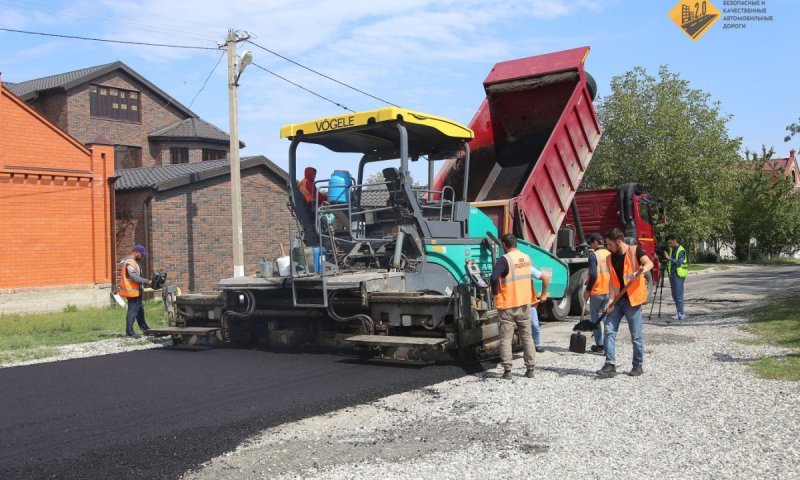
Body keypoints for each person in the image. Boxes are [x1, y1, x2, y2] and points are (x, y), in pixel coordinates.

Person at [490, 234, 549, 380]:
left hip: (507, 305)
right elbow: (541, 276)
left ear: (503, 244)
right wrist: (542, 294)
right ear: (516, 243)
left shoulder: (504, 260)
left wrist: (495, 293)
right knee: (527, 337)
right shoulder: (526, 258)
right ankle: (530, 369)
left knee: (506, 339)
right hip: (524, 304)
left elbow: (493, 277)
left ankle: (508, 371)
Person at [596, 228, 654, 378]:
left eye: (610, 244)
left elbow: (649, 264)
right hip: (617, 300)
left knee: (636, 335)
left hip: (632, 301)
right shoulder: (610, 258)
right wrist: (610, 300)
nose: (608, 248)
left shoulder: (635, 251)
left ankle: (637, 365)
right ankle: (610, 364)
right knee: (609, 330)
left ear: (619, 242)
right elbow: (612, 281)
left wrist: (639, 272)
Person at [583, 233, 610, 353]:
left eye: (591, 243)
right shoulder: (610, 253)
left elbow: (593, 274)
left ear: (595, 243)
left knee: (596, 319)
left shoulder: (594, 255)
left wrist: (588, 290)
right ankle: (609, 346)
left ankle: (599, 345)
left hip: (597, 291)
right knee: (608, 320)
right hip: (610, 291)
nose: (591, 246)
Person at [119, 244, 152, 338]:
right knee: (132, 312)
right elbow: (134, 277)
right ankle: (130, 332)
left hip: (136, 292)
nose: (142, 257)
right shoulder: (130, 263)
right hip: (132, 292)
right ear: (137, 253)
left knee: (140, 311)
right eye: (141, 254)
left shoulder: (132, 262)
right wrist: (147, 281)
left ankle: (145, 329)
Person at [663, 235, 688, 320]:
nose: (669, 244)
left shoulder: (681, 250)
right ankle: (678, 312)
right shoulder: (671, 249)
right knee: (674, 295)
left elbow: (679, 263)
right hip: (672, 274)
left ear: (674, 240)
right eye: (668, 243)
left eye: (670, 242)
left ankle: (681, 313)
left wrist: (669, 258)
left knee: (678, 295)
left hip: (679, 274)